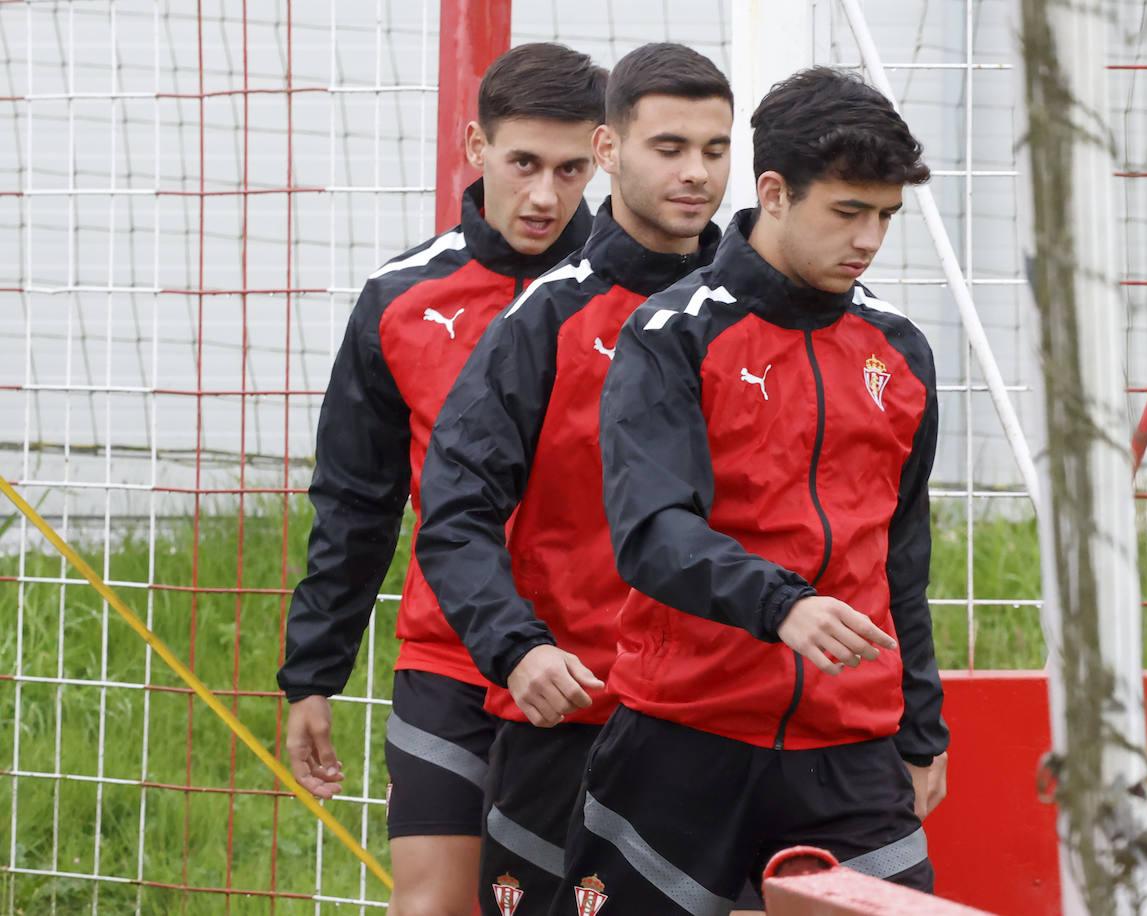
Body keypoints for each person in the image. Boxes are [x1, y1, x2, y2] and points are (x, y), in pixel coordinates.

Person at [555, 66, 950, 914]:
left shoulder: (901, 352)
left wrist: (919, 731)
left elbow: (901, 557)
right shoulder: (671, 334)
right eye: (848, 211)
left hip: (852, 752)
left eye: (885, 216)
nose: (870, 239)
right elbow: (652, 531)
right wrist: (782, 605)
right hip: (683, 738)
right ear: (773, 191)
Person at [275, 43, 606, 916]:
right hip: (450, 659)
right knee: (434, 907)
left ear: (603, 158)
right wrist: (313, 674)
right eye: (523, 163)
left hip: (601, 665)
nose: (545, 195)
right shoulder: (401, 300)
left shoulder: (651, 301)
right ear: (475, 144)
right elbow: (356, 499)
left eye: (571, 169)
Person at [412, 42, 733, 916]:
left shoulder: (766, 315)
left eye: (715, 149)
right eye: (669, 148)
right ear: (611, 151)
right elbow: (452, 509)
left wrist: (907, 715)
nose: (696, 173)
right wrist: (517, 647)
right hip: (575, 712)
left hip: (730, 726)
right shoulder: (546, 315)